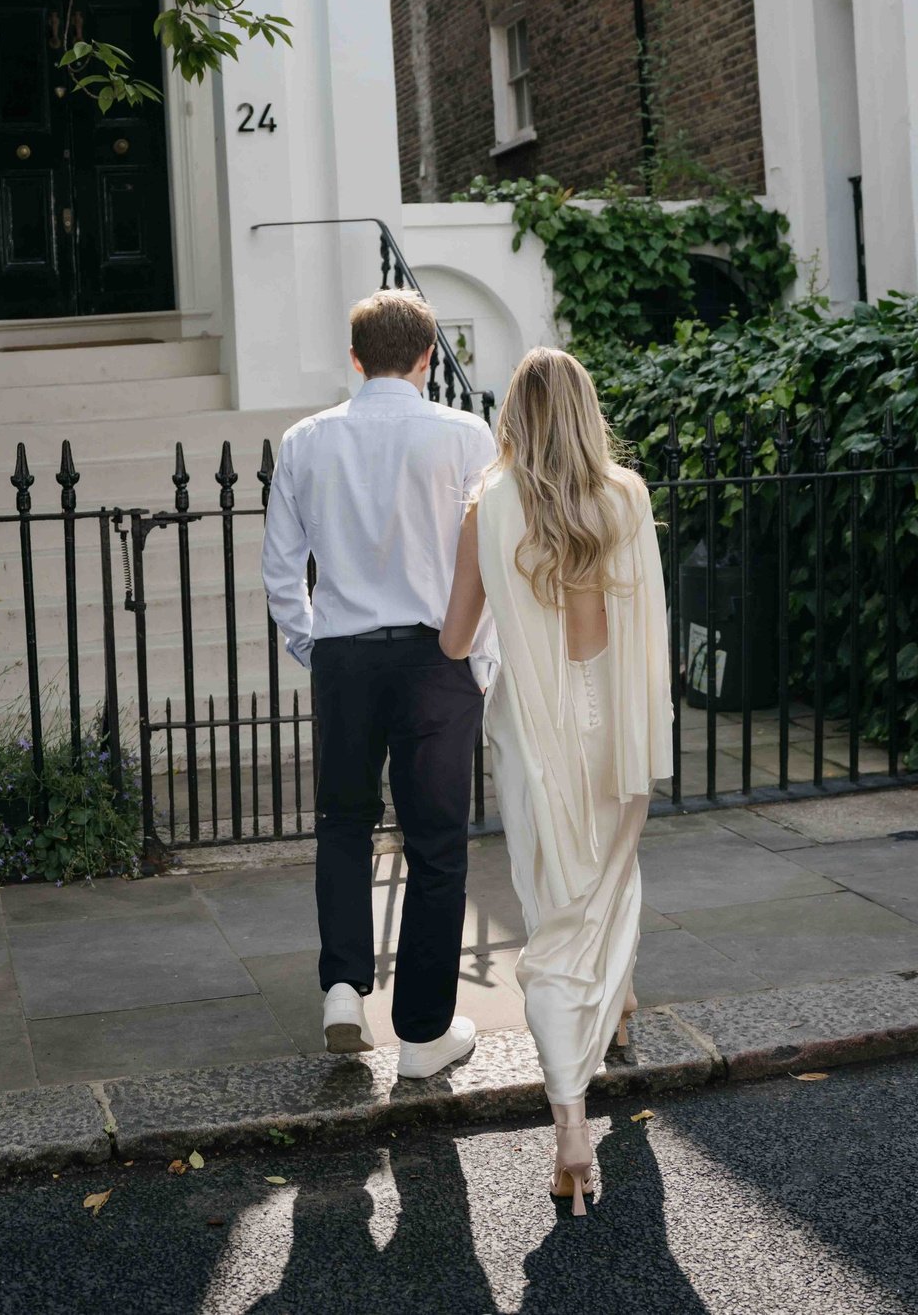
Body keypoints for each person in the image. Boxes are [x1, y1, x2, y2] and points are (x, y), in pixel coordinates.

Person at [438, 347, 671, 1214]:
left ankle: (570, 1123)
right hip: (614, 727)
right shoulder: (627, 497)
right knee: (606, 892)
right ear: (584, 409)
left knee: (551, 913)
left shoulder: (489, 506)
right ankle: (612, 1010)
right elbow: (647, 625)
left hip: (535, 736)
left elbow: (457, 641)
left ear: (516, 417)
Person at [262, 288, 496, 1079]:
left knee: (342, 821)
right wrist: (479, 660)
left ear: (355, 357)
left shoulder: (304, 439)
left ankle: (340, 987)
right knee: (436, 845)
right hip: (440, 655)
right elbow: (490, 558)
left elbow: (280, 569)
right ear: (428, 357)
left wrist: (314, 644)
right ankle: (423, 1035)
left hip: (345, 657)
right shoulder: (466, 434)